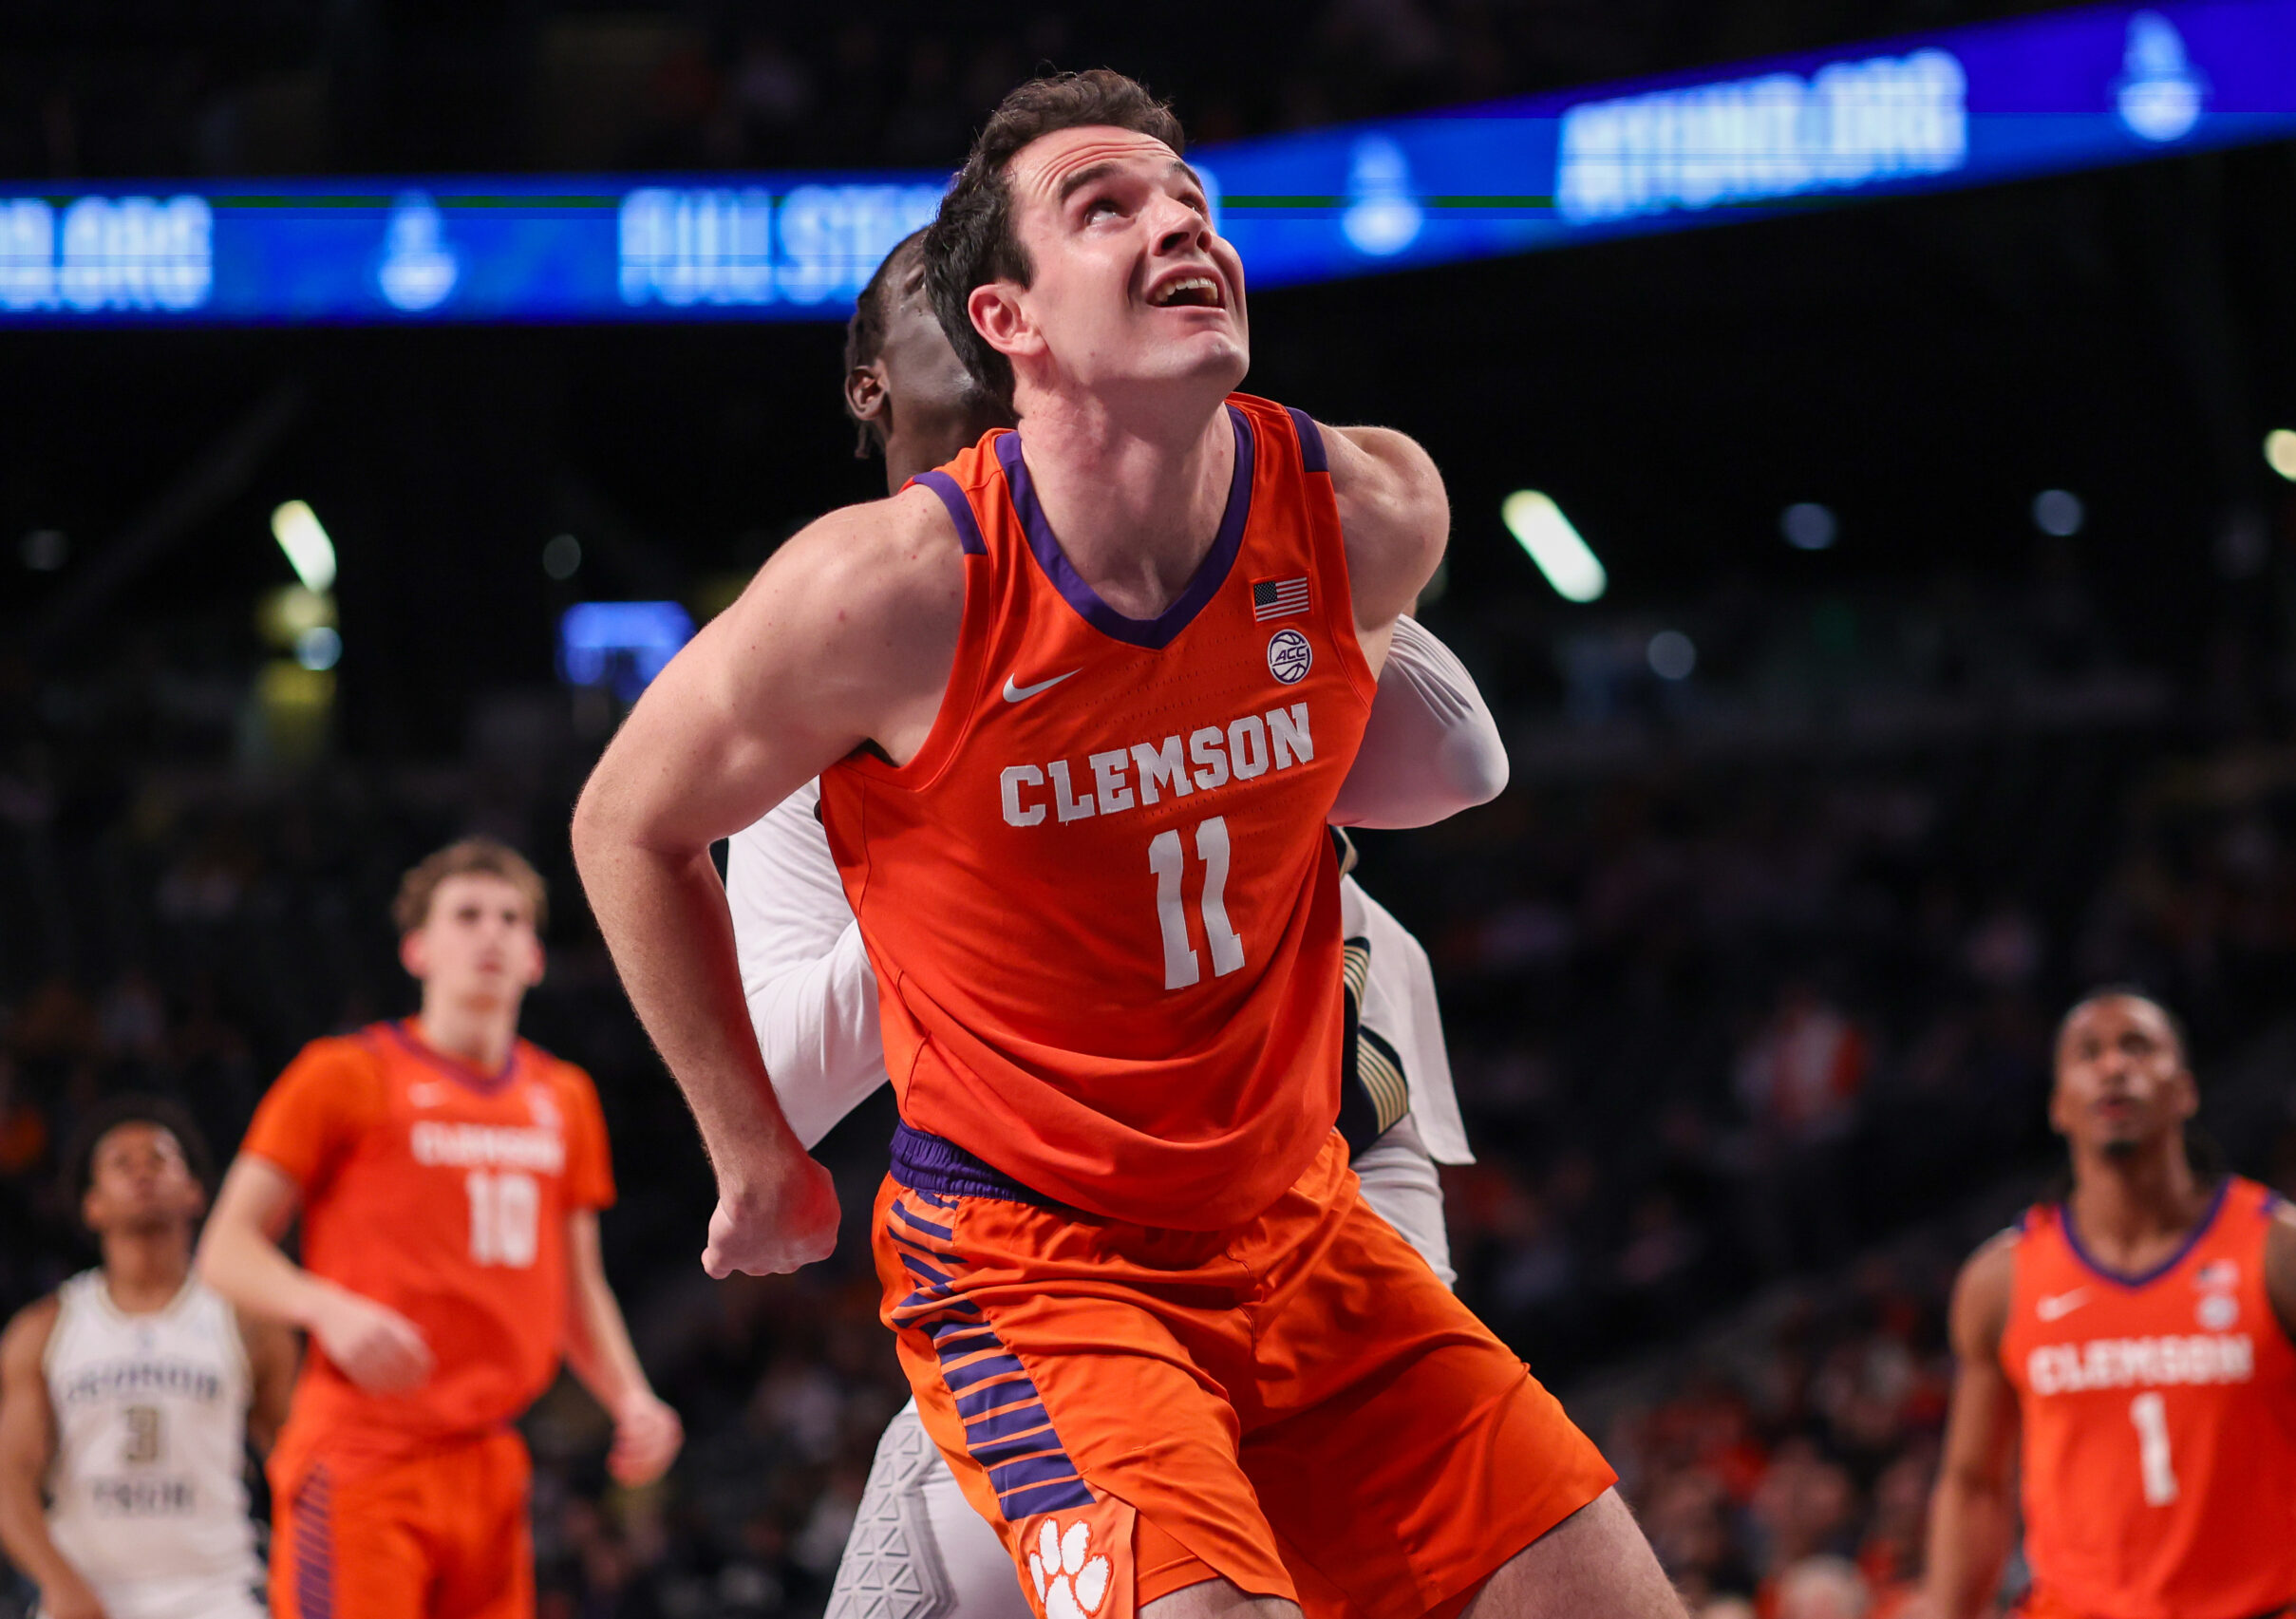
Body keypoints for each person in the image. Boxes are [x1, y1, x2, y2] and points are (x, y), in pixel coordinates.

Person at [574, 68, 1677, 1619]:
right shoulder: (881, 601)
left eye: (1192, 202)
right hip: (1038, 1273)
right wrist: (751, 1153)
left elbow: (1465, 768)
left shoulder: (1366, 511)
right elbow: (623, 819)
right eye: (1109, 207)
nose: (1177, 225)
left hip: (1305, 1218)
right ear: (1007, 327)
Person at [725, 233, 1491, 1617]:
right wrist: (972, 865)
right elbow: (775, 1073)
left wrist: (1259, 531)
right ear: (869, 390)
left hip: (1336, 1167)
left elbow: (1464, 763)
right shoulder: (833, 668)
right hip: (1073, 1244)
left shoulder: (1209, 549)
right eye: (957, 317)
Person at [196, 839, 684, 1619]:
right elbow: (223, 1249)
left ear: (533, 957)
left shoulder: (565, 1096)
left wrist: (631, 1396)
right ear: (416, 948)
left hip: (491, 1458)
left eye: (511, 918)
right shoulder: (343, 1073)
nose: (490, 933)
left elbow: (575, 1284)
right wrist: (328, 1306)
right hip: (362, 1451)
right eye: (466, 915)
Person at [1917, 988, 2296, 1619]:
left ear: (2184, 1090)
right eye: (2088, 1052)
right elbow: (1971, 1485)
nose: (2113, 1066)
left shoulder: (2289, 1254)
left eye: (2138, 1046)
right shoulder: (2001, 1281)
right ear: (2058, 1105)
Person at [0, 1096, 296, 1619]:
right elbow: (10, 1480)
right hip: (88, 1593)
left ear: (195, 1192)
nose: (142, 1173)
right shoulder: (45, 1328)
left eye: (159, 1159)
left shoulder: (249, 1321)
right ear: (93, 1205)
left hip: (217, 1593)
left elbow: (297, 1463)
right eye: (121, 1164)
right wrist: (57, 1582)